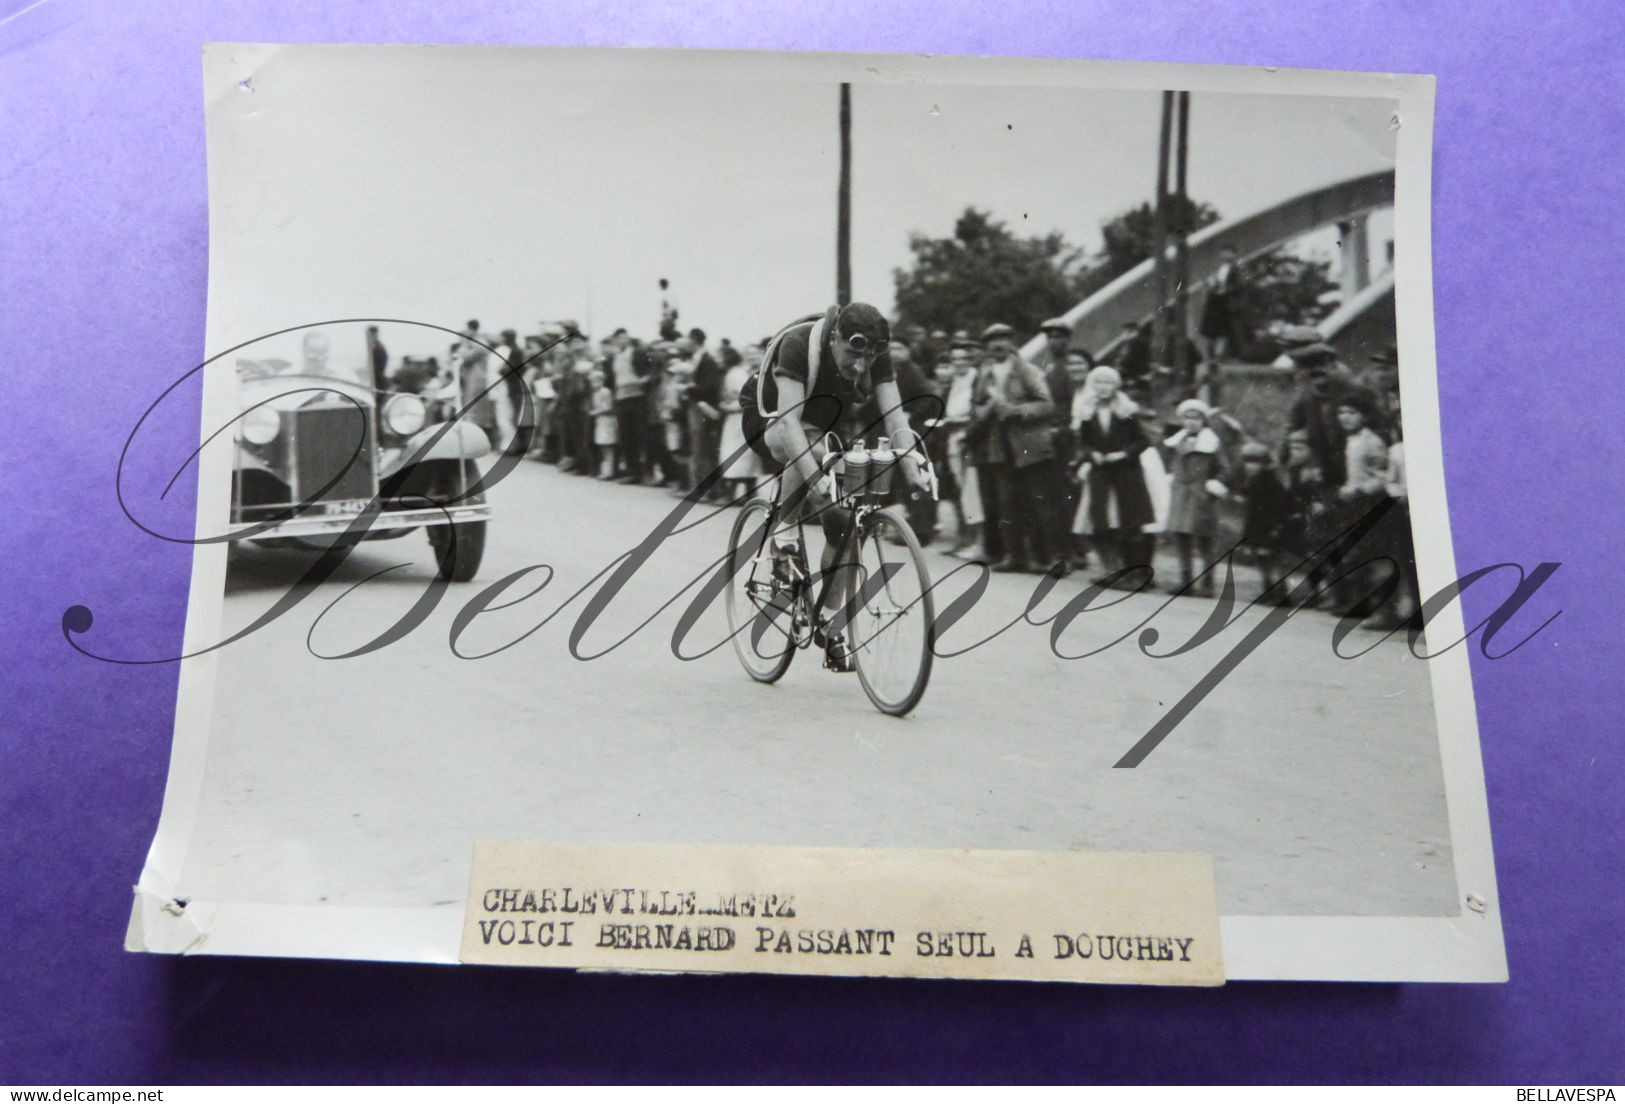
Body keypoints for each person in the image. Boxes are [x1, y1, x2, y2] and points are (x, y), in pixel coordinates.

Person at [736, 302, 932, 671]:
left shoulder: (878, 356)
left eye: (868, 360)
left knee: (845, 526)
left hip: (824, 422)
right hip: (771, 418)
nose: (859, 368)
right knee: (808, 446)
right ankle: (783, 530)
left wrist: (913, 469)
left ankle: (828, 620)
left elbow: (895, 417)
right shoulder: (798, 345)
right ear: (835, 338)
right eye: (852, 355)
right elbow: (791, 426)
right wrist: (815, 481)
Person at [965, 322, 1057, 574]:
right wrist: (985, 411)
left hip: (1028, 448)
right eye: (992, 340)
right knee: (1006, 505)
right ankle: (1014, 556)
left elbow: (1047, 405)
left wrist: (1016, 411)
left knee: (1037, 504)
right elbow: (975, 406)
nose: (998, 344)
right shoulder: (985, 374)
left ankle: (1045, 559)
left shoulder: (1027, 370)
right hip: (998, 449)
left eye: (1003, 338)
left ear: (1011, 342)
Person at [1070, 365, 1156, 585]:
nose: (1102, 388)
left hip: (1126, 472)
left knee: (1130, 522)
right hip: (1101, 472)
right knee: (1102, 522)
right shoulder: (1088, 411)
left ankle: (1136, 574)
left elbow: (1143, 441)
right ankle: (1112, 570)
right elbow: (1084, 442)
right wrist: (1092, 454)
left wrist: (1122, 454)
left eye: (1107, 383)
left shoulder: (1125, 410)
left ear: (1115, 386)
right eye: (1098, 383)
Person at [1163, 397, 1228, 595]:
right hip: (1181, 495)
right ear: (1182, 420)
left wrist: (1214, 483)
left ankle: (1208, 585)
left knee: (1204, 542)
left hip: (1202, 498)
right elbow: (1168, 463)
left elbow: (1224, 469)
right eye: (1187, 418)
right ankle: (1186, 581)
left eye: (1197, 418)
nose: (1192, 422)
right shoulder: (1176, 441)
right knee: (1181, 538)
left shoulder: (1211, 443)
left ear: (1203, 421)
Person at [1230, 440, 1295, 602]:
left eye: (1255, 462)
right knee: (1261, 560)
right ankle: (1268, 590)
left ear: (1265, 463)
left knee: (1272, 561)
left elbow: (1279, 506)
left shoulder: (1272, 483)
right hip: (1256, 527)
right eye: (1248, 462)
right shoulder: (1253, 481)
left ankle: (1280, 593)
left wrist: (1276, 526)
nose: (1251, 467)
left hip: (1269, 526)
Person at [679, 328, 725, 499]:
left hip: (702, 408)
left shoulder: (707, 361)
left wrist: (688, 388)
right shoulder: (700, 359)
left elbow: (709, 387)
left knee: (702, 448)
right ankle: (701, 488)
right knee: (700, 448)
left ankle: (703, 489)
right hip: (698, 407)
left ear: (694, 341)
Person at [717, 342, 764, 501]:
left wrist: (728, 406)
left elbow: (744, 398)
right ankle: (740, 492)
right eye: (748, 354)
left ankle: (742, 493)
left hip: (741, 417)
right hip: (737, 419)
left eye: (754, 353)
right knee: (738, 454)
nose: (751, 357)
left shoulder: (737, 374)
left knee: (742, 454)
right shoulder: (743, 372)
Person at [1198, 245, 1247, 365]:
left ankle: (1219, 357)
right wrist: (1210, 286)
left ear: (1234, 255)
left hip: (1224, 303)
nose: (1225, 255)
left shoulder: (1237, 269)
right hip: (1213, 301)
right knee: (1210, 332)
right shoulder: (1217, 268)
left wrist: (1225, 290)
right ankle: (1211, 356)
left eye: (1229, 253)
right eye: (1224, 252)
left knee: (1223, 331)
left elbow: (1239, 286)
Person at [589, 368, 618, 477]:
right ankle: (605, 470)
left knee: (607, 446)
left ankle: (609, 471)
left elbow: (608, 406)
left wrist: (595, 412)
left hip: (607, 420)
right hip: (600, 421)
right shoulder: (595, 393)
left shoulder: (605, 391)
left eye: (595, 380)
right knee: (602, 446)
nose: (593, 383)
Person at [365, 325, 390, 393]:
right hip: (376, 380)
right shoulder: (375, 346)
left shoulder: (377, 347)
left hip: (378, 381)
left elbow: (379, 367)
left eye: (368, 334)